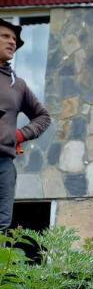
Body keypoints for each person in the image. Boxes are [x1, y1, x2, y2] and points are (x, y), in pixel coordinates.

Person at [0, 20, 51, 232]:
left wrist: (19, 135)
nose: (12, 42)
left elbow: (43, 117)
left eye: (15, 39)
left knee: (1, 223)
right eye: (5, 36)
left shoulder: (17, 84)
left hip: (3, 163)